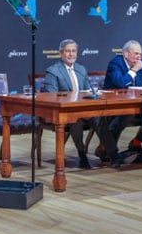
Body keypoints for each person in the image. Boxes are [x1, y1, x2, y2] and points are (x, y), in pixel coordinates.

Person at [43, 39, 136, 169]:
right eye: (68, 51)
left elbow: (88, 91)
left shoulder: (81, 69)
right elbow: (51, 96)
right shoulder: (53, 71)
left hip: (84, 109)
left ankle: (114, 155)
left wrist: (92, 98)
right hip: (65, 112)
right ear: (60, 53)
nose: (71, 54)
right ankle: (82, 155)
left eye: (74, 51)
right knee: (76, 121)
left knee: (99, 116)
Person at [102, 40, 142, 164]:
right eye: (136, 54)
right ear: (126, 54)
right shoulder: (116, 64)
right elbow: (120, 83)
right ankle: (107, 147)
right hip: (114, 105)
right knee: (126, 114)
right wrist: (134, 70)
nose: (139, 57)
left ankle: (137, 143)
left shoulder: (141, 63)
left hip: (136, 104)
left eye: (140, 54)